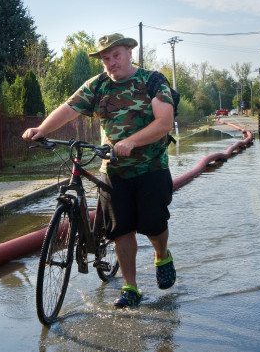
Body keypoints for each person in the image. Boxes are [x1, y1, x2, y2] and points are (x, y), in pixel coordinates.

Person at [22, 33, 176, 308]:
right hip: (114, 169)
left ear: (129, 53)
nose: (110, 62)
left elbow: (164, 122)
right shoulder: (98, 85)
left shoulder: (152, 81)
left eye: (115, 55)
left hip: (150, 167)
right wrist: (42, 129)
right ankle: (131, 288)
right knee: (120, 230)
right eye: (105, 58)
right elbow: (69, 108)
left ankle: (161, 254)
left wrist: (131, 141)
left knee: (154, 226)